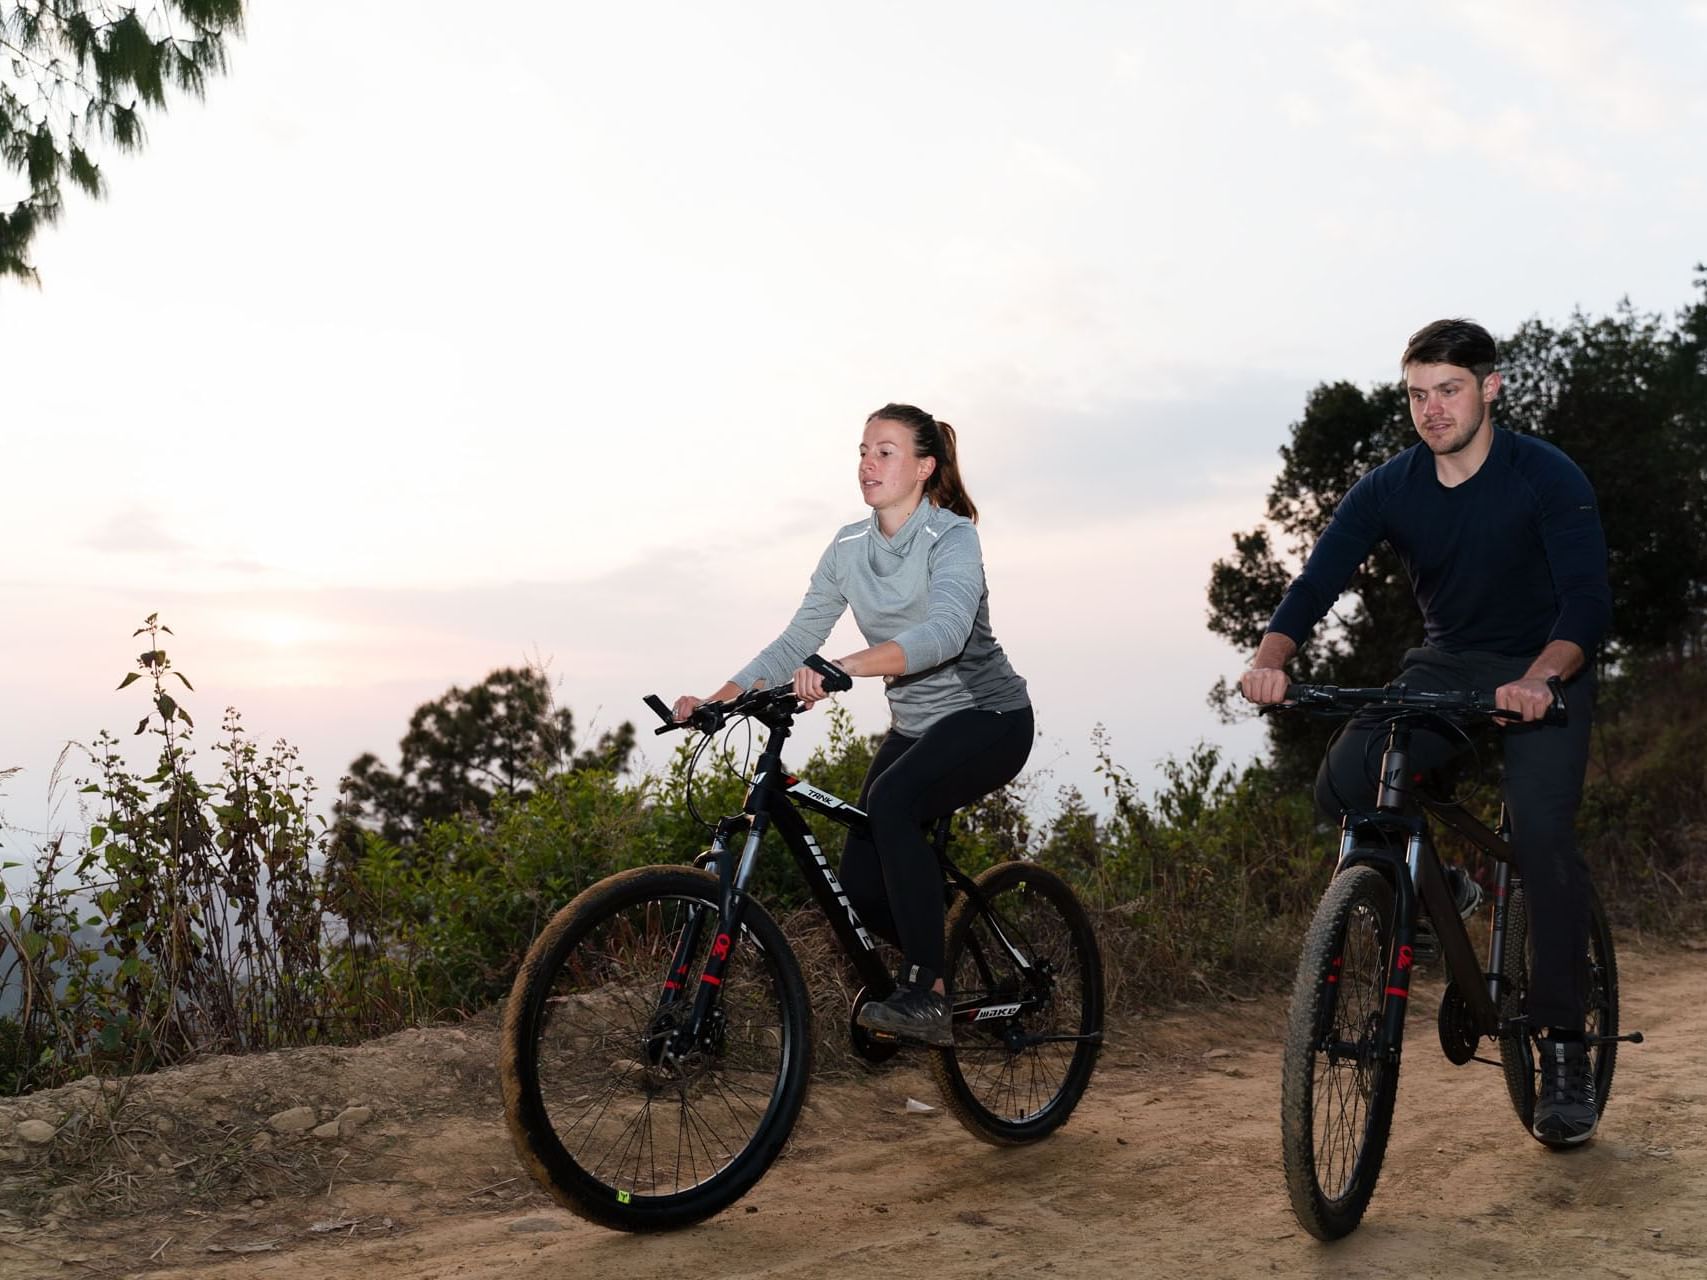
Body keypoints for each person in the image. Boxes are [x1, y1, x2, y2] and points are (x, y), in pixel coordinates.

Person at [1240, 319, 1612, 1145]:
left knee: (1544, 840)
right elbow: (1315, 581)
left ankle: (1561, 1047)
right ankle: (1447, 886)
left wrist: (1539, 678)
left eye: (1447, 389)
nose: (1431, 409)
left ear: (1490, 386)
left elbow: (1585, 602)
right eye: (1416, 393)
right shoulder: (1390, 487)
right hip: (1446, 667)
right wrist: (1270, 658)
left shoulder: (1544, 475)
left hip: (1546, 670)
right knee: (1344, 782)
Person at [672, 403, 1032, 1047]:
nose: (868, 462)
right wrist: (717, 700)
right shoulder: (846, 547)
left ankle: (930, 991)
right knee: (863, 888)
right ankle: (950, 955)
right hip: (919, 728)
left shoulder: (952, 538)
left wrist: (844, 666)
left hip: (990, 717)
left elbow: (945, 633)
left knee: (894, 802)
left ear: (924, 467)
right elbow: (797, 638)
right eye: (864, 450)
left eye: (886, 451)